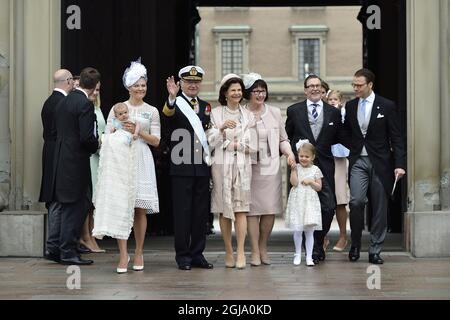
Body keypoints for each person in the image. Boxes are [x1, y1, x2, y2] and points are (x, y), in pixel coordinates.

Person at [93, 59, 160, 273]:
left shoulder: (152, 111)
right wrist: (119, 130)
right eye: (137, 85)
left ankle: (139, 251)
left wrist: (138, 132)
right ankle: (123, 254)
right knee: (122, 206)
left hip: (141, 156)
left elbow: (157, 141)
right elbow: (107, 135)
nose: (141, 88)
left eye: (144, 85)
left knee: (140, 209)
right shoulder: (118, 108)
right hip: (121, 159)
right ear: (129, 86)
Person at [343, 68, 406, 264]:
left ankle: (375, 250)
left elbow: (396, 137)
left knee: (379, 206)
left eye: (359, 85)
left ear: (370, 85)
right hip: (358, 162)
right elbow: (345, 132)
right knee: (356, 202)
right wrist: (352, 147)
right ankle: (355, 244)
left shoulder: (386, 106)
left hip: (381, 162)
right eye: (354, 85)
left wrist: (400, 164)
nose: (355, 88)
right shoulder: (351, 106)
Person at [285, 74, 343, 264]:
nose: (315, 89)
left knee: (328, 207)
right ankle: (312, 250)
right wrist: (291, 157)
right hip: (301, 169)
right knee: (302, 207)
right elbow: (287, 136)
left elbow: (339, 137)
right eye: (311, 86)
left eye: (318, 85)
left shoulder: (333, 112)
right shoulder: (294, 111)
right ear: (305, 90)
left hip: (324, 166)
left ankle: (318, 242)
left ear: (322, 89)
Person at [241, 73, 295, 266]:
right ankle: (254, 250)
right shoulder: (241, 112)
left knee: (269, 209)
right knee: (252, 211)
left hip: (270, 168)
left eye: (263, 91)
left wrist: (289, 154)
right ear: (248, 93)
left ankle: (263, 247)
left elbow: (283, 139)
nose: (260, 94)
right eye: (256, 91)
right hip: (248, 168)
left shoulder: (274, 112)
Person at [163, 65, 213, 270]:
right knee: (183, 212)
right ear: (181, 83)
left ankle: (197, 254)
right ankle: (183, 255)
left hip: (201, 166)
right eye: (188, 82)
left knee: (201, 213)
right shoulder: (175, 103)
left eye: (196, 82)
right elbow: (168, 114)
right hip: (181, 165)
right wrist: (172, 97)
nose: (193, 85)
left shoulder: (206, 106)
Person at [49, 67, 100, 265]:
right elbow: (87, 137)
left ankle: (55, 247)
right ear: (94, 86)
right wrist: (98, 145)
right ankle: (68, 251)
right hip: (76, 163)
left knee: (64, 206)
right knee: (77, 205)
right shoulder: (84, 104)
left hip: (61, 160)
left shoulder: (64, 101)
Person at [207, 74, 255, 269]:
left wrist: (236, 144)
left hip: (243, 164)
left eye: (239, 90)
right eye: (233, 90)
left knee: (241, 208)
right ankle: (228, 251)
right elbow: (209, 140)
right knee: (224, 210)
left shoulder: (248, 114)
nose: (237, 93)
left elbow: (253, 143)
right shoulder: (216, 113)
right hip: (221, 165)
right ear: (225, 93)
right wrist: (221, 129)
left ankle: (242, 251)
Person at [40, 69, 74, 263]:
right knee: (58, 199)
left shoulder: (49, 101)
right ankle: (54, 246)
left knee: (55, 199)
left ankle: (56, 245)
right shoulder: (62, 103)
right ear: (68, 81)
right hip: (59, 154)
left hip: (50, 152)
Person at [285, 140, 323, 266]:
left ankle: (309, 256)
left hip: (310, 204)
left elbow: (319, 187)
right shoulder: (296, 167)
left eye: (307, 156)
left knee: (309, 231)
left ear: (313, 157)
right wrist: (293, 171)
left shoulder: (316, 169)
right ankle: (297, 254)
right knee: (298, 230)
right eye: (301, 156)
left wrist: (311, 181)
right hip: (298, 202)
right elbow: (294, 183)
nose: (303, 159)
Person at [79, 82, 106, 253]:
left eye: (98, 90)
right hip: (89, 158)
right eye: (93, 89)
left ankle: (92, 236)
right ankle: (85, 237)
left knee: (95, 201)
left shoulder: (98, 108)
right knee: (87, 201)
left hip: (99, 159)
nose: (95, 93)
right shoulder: (84, 107)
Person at [328, 90, 350, 252]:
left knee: (340, 199)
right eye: (330, 99)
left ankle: (343, 236)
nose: (332, 102)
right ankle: (322, 237)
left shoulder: (343, 114)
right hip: (323, 157)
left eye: (335, 99)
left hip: (339, 158)